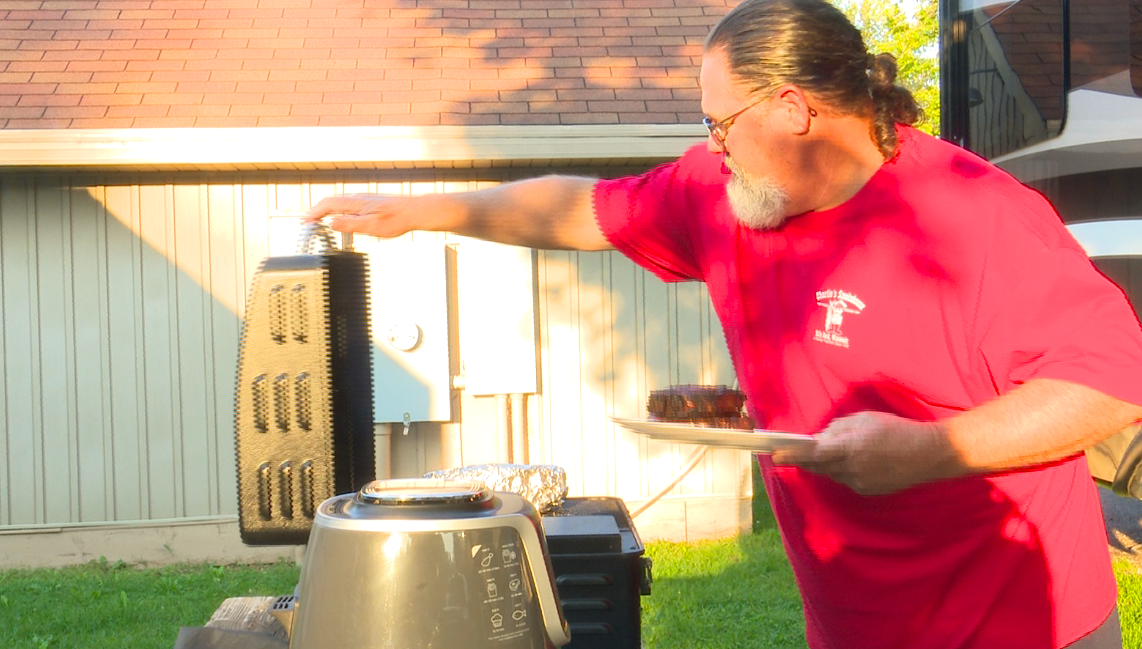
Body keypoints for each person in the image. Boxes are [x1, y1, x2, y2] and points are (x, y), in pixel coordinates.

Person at [305, 0, 1142, 646]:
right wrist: (421, 209)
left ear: (793, 108)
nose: (709, 147)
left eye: (719, 122)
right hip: (856, 620)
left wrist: (929, 451)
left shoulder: (973, 219)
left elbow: (1111, 385)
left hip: (1018, 622)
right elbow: (579, 210)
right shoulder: (724, 193)